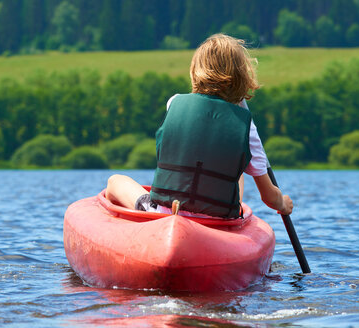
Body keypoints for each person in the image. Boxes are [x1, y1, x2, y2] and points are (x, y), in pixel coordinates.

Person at [106, 34, 293, 218]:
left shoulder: (174, 103)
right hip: (217, 220)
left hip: (167, 212)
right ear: (242, 76)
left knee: (115, 181)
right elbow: (269, 198)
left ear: (196, 71)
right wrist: (283, 203)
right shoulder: (246, 126)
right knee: (238, 170)